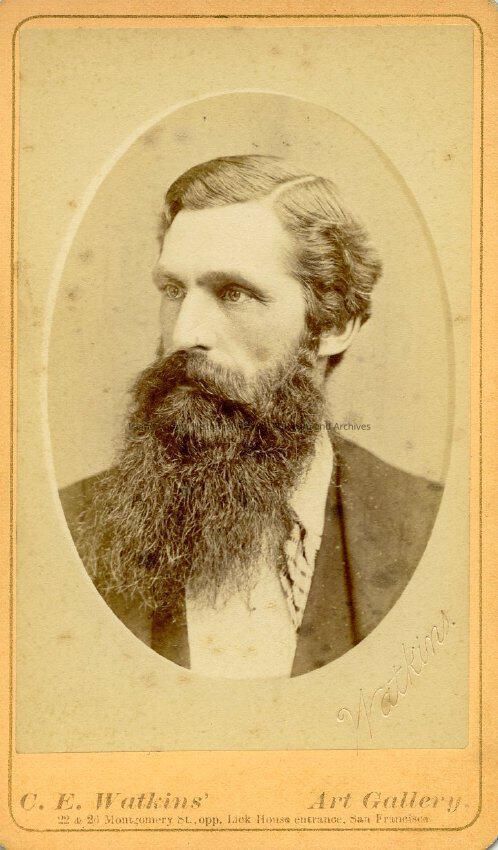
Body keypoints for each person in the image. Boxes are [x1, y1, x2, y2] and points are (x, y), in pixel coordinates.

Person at [60, 155, 443, 678]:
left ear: (334, 325)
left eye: (234, 294)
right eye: (174, 291)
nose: (183, 335)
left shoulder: (434, 529)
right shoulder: (64, 530)